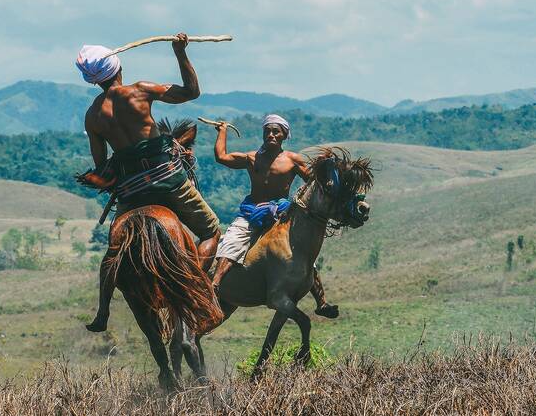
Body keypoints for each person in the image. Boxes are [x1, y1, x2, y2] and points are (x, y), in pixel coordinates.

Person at [76, 33, 221, 332]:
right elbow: (191, 92)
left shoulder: (92, 116)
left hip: (131, 191)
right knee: (211, 230)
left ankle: (103, 311)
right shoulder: (139, 91)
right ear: (117, 67)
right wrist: (180, 52)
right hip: (169, 181)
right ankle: (195, 283)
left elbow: (102, 165)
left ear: (93, 80)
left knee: (113, 253)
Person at [211, 114, 339, 318]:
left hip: (281, 215)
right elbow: (222, 157)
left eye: (275, 131)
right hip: (251, 211)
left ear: (284, 135)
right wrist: (222, 132)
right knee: (231, 242)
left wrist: (326, 168)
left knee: (304, 257)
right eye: (267, 131)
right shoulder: (251, 158)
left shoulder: (293, 160)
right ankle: (214, 285)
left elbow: (315, 183)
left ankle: (321, 302)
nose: (271, 134)